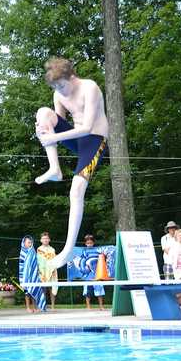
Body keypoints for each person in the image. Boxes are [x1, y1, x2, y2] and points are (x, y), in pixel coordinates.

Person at [34, 58, 109, 270]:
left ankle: (67, 250)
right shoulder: (59, 94)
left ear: (71, 77)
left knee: (76, 190)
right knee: (42, 113)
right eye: (55, 87)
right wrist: (44, 129)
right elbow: (58, 122)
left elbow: (86, 127)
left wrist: (53, 138)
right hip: (76, 138)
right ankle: (54, 168)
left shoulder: (89, 88)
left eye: (61, 85)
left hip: (95, 140)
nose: (60, 91)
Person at [19, 235, 45, 313]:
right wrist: (22, 276)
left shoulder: (33, 251)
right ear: (24, 243)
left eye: (31, 243)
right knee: (27, 292)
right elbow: (21, 265)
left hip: (33, 274)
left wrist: (36, 272)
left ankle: (35, 307)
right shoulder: (22, 252)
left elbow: (35, 263)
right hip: (25, 275)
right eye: (28, 243)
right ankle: (28, 307)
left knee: (34, 290)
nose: (30, 244)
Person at [81, 234, 105, 310]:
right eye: (88, 243)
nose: (89, 244)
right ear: (85, 244)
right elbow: (82, 261)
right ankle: (88, 306)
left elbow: (101, 260)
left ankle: (101, 306)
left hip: (97, 274)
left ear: (93, 243)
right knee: (87, 292)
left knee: (99, 290)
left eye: (91, 243)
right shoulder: (83, 252)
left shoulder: (98, 251)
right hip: (88, 275)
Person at [36, 232, 58, 309]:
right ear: (41, 240)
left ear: (49, 239)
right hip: (43, 271)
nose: (45, 240)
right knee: (43, 288)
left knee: (52, 287)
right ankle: (43, 305)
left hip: (52, 270)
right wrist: (39, 270)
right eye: (43, 238)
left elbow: (54, 260)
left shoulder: (52, 249)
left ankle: (53, 306)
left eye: (46, 238)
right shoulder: (39, 249)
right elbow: (38, 261)